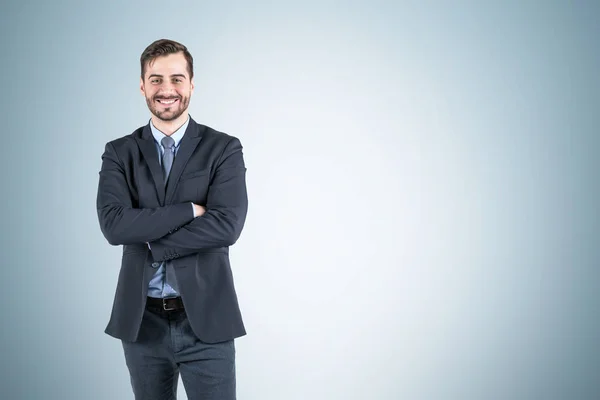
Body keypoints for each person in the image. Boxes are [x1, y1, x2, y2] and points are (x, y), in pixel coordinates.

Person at [96, 38, 248, 400]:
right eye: (156, 79)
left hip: (207, 320)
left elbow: (228, 225)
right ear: (142, 85)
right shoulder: (120, 152)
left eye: (177, 79)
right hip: (142, 322)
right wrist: (188, 211)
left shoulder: (223, 148)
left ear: (192, 84)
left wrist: (153, 240)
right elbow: (115, 226)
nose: (167, 90)